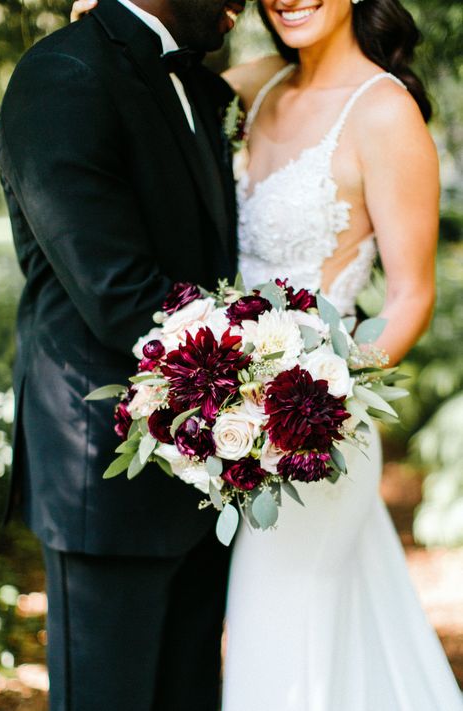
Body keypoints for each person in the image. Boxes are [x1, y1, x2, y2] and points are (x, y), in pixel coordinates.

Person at [77, 0, 463, 707]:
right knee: (297, 638)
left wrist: (309, 403)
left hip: (311, 437)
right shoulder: (254, 87)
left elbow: (410, 298)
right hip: (230, 434)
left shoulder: (384, 113)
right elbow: (149, 63)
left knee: (282, 641)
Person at [0, 1, 245, 710]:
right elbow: (122, 294)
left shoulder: (204, 87)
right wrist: (268, 379)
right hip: (104, 483)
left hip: (207, 478)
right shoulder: (63, 74)